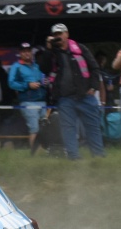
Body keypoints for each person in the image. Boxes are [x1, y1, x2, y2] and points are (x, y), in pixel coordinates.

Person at [37, 23, 106, 160]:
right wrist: (48, 49)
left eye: (60, 33)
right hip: (65, 98)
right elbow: (44, 69)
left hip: (85, 96)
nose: (58, 37)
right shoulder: (52, 52)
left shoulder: (80, 48)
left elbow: (94, 68)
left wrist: (93, 87)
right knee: (68, 128)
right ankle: (74, 158)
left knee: (93, 127)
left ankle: (98, 156)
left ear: (67, 34)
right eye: (55, 35)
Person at [7, 43, 48, 151]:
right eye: (24, 51)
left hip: (41, 100)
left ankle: (44, 151)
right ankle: (35, 152)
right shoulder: (16, 66)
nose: (27, 53)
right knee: (34, 128)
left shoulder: (36, 66)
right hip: (28, 101)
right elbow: (11, 83)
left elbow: (42, 80)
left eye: (28, 51)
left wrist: (45, 82)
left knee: (44, 127)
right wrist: (27, 85)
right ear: (20, 53)